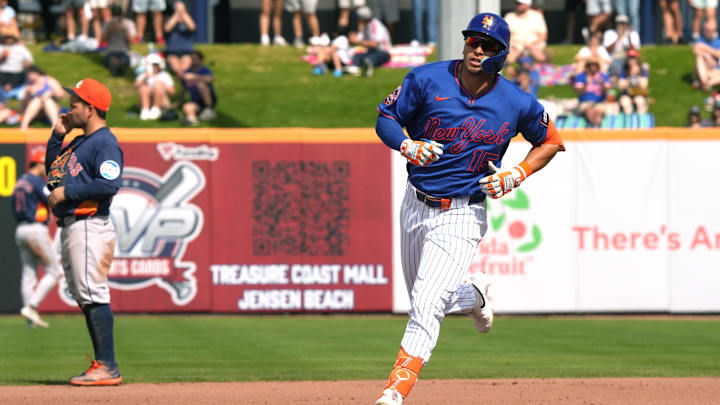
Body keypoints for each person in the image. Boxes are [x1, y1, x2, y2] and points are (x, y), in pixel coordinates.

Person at [373, 12, 564, 405]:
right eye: (473, 40)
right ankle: (473, 294)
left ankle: (395, 390)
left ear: (503, 54)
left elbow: (550, 141)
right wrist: (408, 145)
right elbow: (387, 116)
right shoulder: (427, 78)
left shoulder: (514, 100)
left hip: (463, 210)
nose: (478, 49)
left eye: (488, 45)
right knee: (425, 300)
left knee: (426, 304)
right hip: (415, 201)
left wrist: (517, 174)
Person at [45, 78, 123, 386]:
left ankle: (107, 365)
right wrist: (56, 137)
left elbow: (108, 184)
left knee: (92, 292)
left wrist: (68, 193)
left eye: (75, 104)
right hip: (75, 226)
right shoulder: (79, 141)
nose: (69, 108)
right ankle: (104, 364)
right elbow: (54, 173)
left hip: (89, 224)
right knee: (84, 294)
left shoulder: (104, 142)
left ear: (90, 110)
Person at [12, 146, 62, 329]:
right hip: (35, 229)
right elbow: (52, 197)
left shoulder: (20, 182)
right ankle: (32, 306)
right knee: (53, 271)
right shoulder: (36, 180)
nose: (46, 167)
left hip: (21, 229)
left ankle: (29, 319)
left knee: (28, 274)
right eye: (44, 163)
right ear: (39, 163)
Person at [347, 6, 391, 77]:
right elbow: (359, 39)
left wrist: (358, 41)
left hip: (383, 51)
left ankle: (368, 66)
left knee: (371, 58)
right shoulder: (365, 26)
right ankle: (355, 68)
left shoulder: (375, 25)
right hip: (371, 51)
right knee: (357, 56)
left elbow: (375, 44)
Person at [19, 66, 64, 130]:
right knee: (36, 101)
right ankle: (24, 125)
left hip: (51, 108)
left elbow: (61, 94)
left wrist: (51, 93)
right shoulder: (28, 84)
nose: (30, 77)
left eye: (30, 75)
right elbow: (23, 103)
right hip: (35, 111)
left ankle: (54, 125)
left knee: (47, 100)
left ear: (36, 73)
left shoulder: (49, 80)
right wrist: (27, 94)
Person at [134, 52, 175, 120]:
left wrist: (162, 85)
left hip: (162, 102)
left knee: (157, 84)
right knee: (144, 87)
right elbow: (135, 87)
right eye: (152, 65)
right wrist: (145, 78)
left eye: (155, 64)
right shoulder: (144, 75)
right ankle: (145, 110)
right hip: (148, 101)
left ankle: (156, 109)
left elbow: (172, 92)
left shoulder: (165, 75)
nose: (154, 66)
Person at [180, 50, 216, 125]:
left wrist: (195, 77)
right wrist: (180, 100)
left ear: (201, 60)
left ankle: (209, 108)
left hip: (208, 98)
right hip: (196, 101)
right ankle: (193, 119)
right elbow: (183, 88)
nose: (193, 61)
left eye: (195, 59)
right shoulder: (187, 72)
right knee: (187, 106)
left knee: (201, 85)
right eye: (192, 59)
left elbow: (210, 79)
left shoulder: (205, 70)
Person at [101, 3, 137, 77]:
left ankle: (118, 67)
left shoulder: (129, 23)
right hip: (111, 50)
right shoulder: (108, 23)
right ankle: (116, 68)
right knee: (112, 59)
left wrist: (124, 30)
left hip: (124, 51)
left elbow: (132, 41)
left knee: (123, 59)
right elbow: (102, 40)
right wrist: (110, 30)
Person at [574, 58, 611, 127]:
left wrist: (602, 84)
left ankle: (596, 129)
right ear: (587, 67)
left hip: (599, 102)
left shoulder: (603, 76)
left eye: (594, 65)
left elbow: (607, 89)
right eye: (590, 66)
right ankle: (593, 128)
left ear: (598, 67)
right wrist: (586, 84)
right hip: (585, 102)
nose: (592, 68)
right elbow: (578, 91)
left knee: (598, 113)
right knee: (589, 111)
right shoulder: (582, 76)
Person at [164, 0, 196, 76]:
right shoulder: (170, 21)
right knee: (176, 67)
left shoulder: (188, 21)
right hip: (172, 53)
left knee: (184, 67)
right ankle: (183, 83)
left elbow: (192, 27)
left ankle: (183, 83)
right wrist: (176, 14)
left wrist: (183, 12)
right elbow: (167, 28)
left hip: (186, 52)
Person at [0, 26, 33, 98]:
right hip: (2, 70)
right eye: (7, 37)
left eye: (10, 37)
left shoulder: (21, 48)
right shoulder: (1, 47)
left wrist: (25, 64)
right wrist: (2, 58)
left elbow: (29, 60)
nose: (9, 39)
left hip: (17, 71)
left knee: (20, 76)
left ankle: (10, 89)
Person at [617, 49, 648, 113]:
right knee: (625, 103)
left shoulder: (642, 70)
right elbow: (621, 86)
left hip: (638, 93)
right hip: (626, 94)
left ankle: (640, 121)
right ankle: (629, 121)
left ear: (637, 59)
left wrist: (637, 75)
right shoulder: (624, 71)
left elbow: (644, 86)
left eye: (633, 58)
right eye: (630, 58)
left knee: (640, 102)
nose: (631, 60)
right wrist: (630, 76)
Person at [693, 21, 720, 91]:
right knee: (699, 58)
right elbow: (696, 48)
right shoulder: (700, 40)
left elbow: (719, 54)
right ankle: (705, 82)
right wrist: (707, 56)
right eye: (708, 30)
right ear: (704, 30)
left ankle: (706, 83)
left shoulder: (718, 41)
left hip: (716, 71)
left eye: (712, 30)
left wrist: (705, 49)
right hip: (705, 70)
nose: (710, 32)